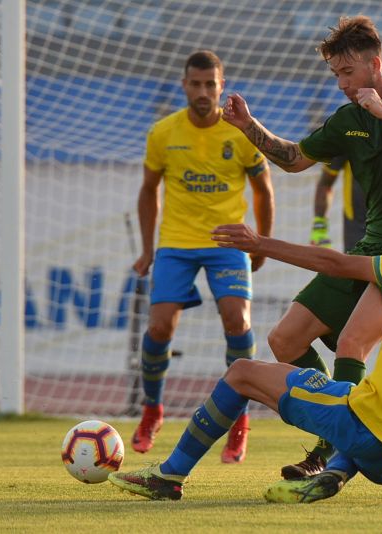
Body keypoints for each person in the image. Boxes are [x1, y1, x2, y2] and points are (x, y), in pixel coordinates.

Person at [107, 208, 382, 505]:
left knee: (241, 372)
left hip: (364, 427)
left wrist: (260, 243)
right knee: (360, 409)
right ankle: (337, 472)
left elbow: (334, 263)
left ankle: (170, 476)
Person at [222, 16, 382, 478]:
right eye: (334, 75)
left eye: (347, 73)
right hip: (370, 247)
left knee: (352, 342)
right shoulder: (348, 118)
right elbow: (294, 160)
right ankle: (335, 433)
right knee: (284, 339)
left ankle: (335, 454)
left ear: (375, 63)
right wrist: (248, 125)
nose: (340, 84)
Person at [130, 50, 274, 464]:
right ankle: (152, 410)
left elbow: (264, 190)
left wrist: (260, 242)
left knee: (238, 320)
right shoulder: (163, 132)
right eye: (195, 84)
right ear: (184, 86)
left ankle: (239, 421)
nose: (203, 92)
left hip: (227, 242)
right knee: (159, 327)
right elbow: (148, 190)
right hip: (176, 242)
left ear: (221, 86)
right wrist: (146, 249)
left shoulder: (240, 133)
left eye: (210, 84)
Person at [310, 65, 382, 252]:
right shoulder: (349, 129)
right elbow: (326, 182)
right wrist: (319, 227)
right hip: (358, 230)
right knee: (358, 280)